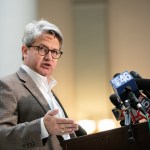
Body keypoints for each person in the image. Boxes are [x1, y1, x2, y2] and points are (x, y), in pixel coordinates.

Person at [0, 19, 87, 150]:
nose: (49, 57)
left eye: (55, 52)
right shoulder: (8, 85)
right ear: (25, 51)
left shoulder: (49, 90)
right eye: (42, 49)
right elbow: (2, 137)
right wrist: (42, 127)